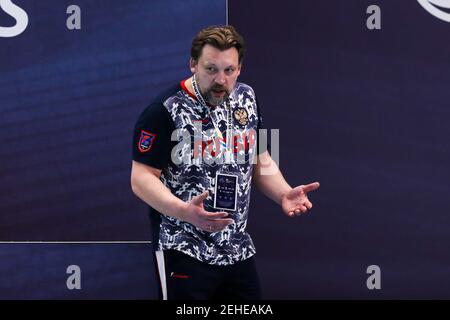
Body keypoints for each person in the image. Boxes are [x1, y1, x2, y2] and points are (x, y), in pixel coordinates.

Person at [131, 25, 320, 300]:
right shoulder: (165, 110)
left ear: (239, 68)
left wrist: (283, 193)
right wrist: (185, 212)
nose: (221, 80)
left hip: (236, 248)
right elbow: (141, 178)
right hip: (184, 247)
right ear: (193, 64)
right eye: (211, 69)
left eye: (229, 70)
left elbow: (260, 158)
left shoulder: (247, 98)